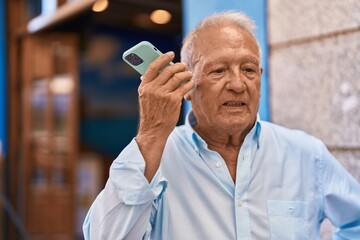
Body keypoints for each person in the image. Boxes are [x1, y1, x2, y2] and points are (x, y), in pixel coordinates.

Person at [83, 11, 360, 239]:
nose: (238, 84)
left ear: (260, 78)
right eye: (218, 70)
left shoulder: (306, 154)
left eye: (249, 70)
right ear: (186, 85)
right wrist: (152, 133)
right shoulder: (155, 161)